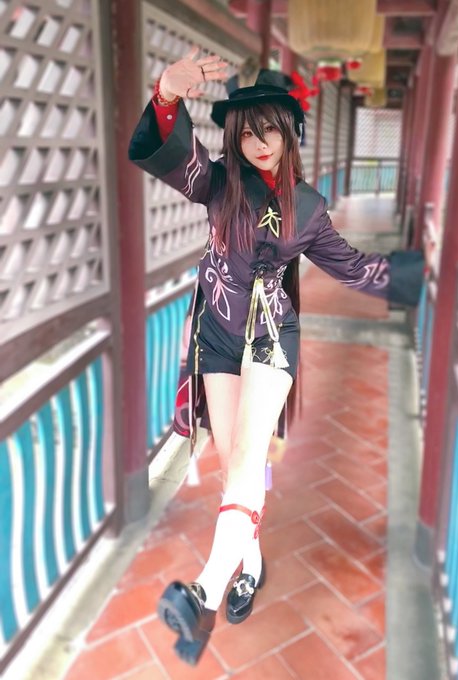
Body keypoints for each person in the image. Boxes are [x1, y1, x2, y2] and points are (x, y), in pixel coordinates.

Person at [128, 46, 424, 665]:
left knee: (244, 459)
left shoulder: (309, 206)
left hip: (269, 336)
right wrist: (167, 96)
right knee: (237, 462)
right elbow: (174, 158)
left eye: (270, 129)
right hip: (217, 333)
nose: (259, 143)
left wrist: (416, 276)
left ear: (291, 132)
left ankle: (206, 592)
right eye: (247, 132)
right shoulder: (217, 183)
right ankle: (251, 562)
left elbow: (353, 267)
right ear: (234, 138)